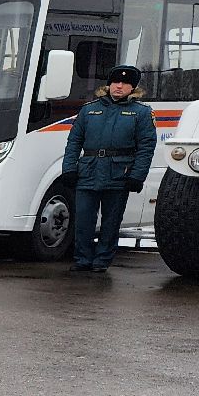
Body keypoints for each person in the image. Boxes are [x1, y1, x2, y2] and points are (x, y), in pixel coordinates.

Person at [62, 64, 157, 272]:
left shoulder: (141, 113)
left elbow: (146, 147)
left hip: (119, 174)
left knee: (111, 222)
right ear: (109, 85)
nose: (119, 86)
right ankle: (82, 259)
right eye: (116, 82)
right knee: (83, 219)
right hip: (88, 171)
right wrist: (68, 168)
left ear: (132, 88)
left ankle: (102, 261)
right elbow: (74, 142)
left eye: (125, 83)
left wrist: (137, 176)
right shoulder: (89, 110)